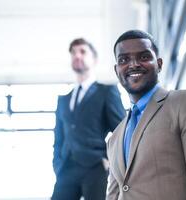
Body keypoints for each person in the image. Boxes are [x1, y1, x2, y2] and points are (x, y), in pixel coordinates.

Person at [106, 30, 186, 200]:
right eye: (124, 59)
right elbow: (114, 195)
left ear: (159, 64)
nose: (133, 64)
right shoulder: (116, 137)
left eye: (143, 57)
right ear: (116, 70)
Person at [52, 38, 126, 200]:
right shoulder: (64, 100)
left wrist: (108, 160)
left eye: (82, 51)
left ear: (94, 59)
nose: (77, 56)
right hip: (65, 168)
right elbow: (59, 137)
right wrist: (57, 164)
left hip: (95, 166)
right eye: (73, 53)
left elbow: (122, 131)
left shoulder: (106, 92)